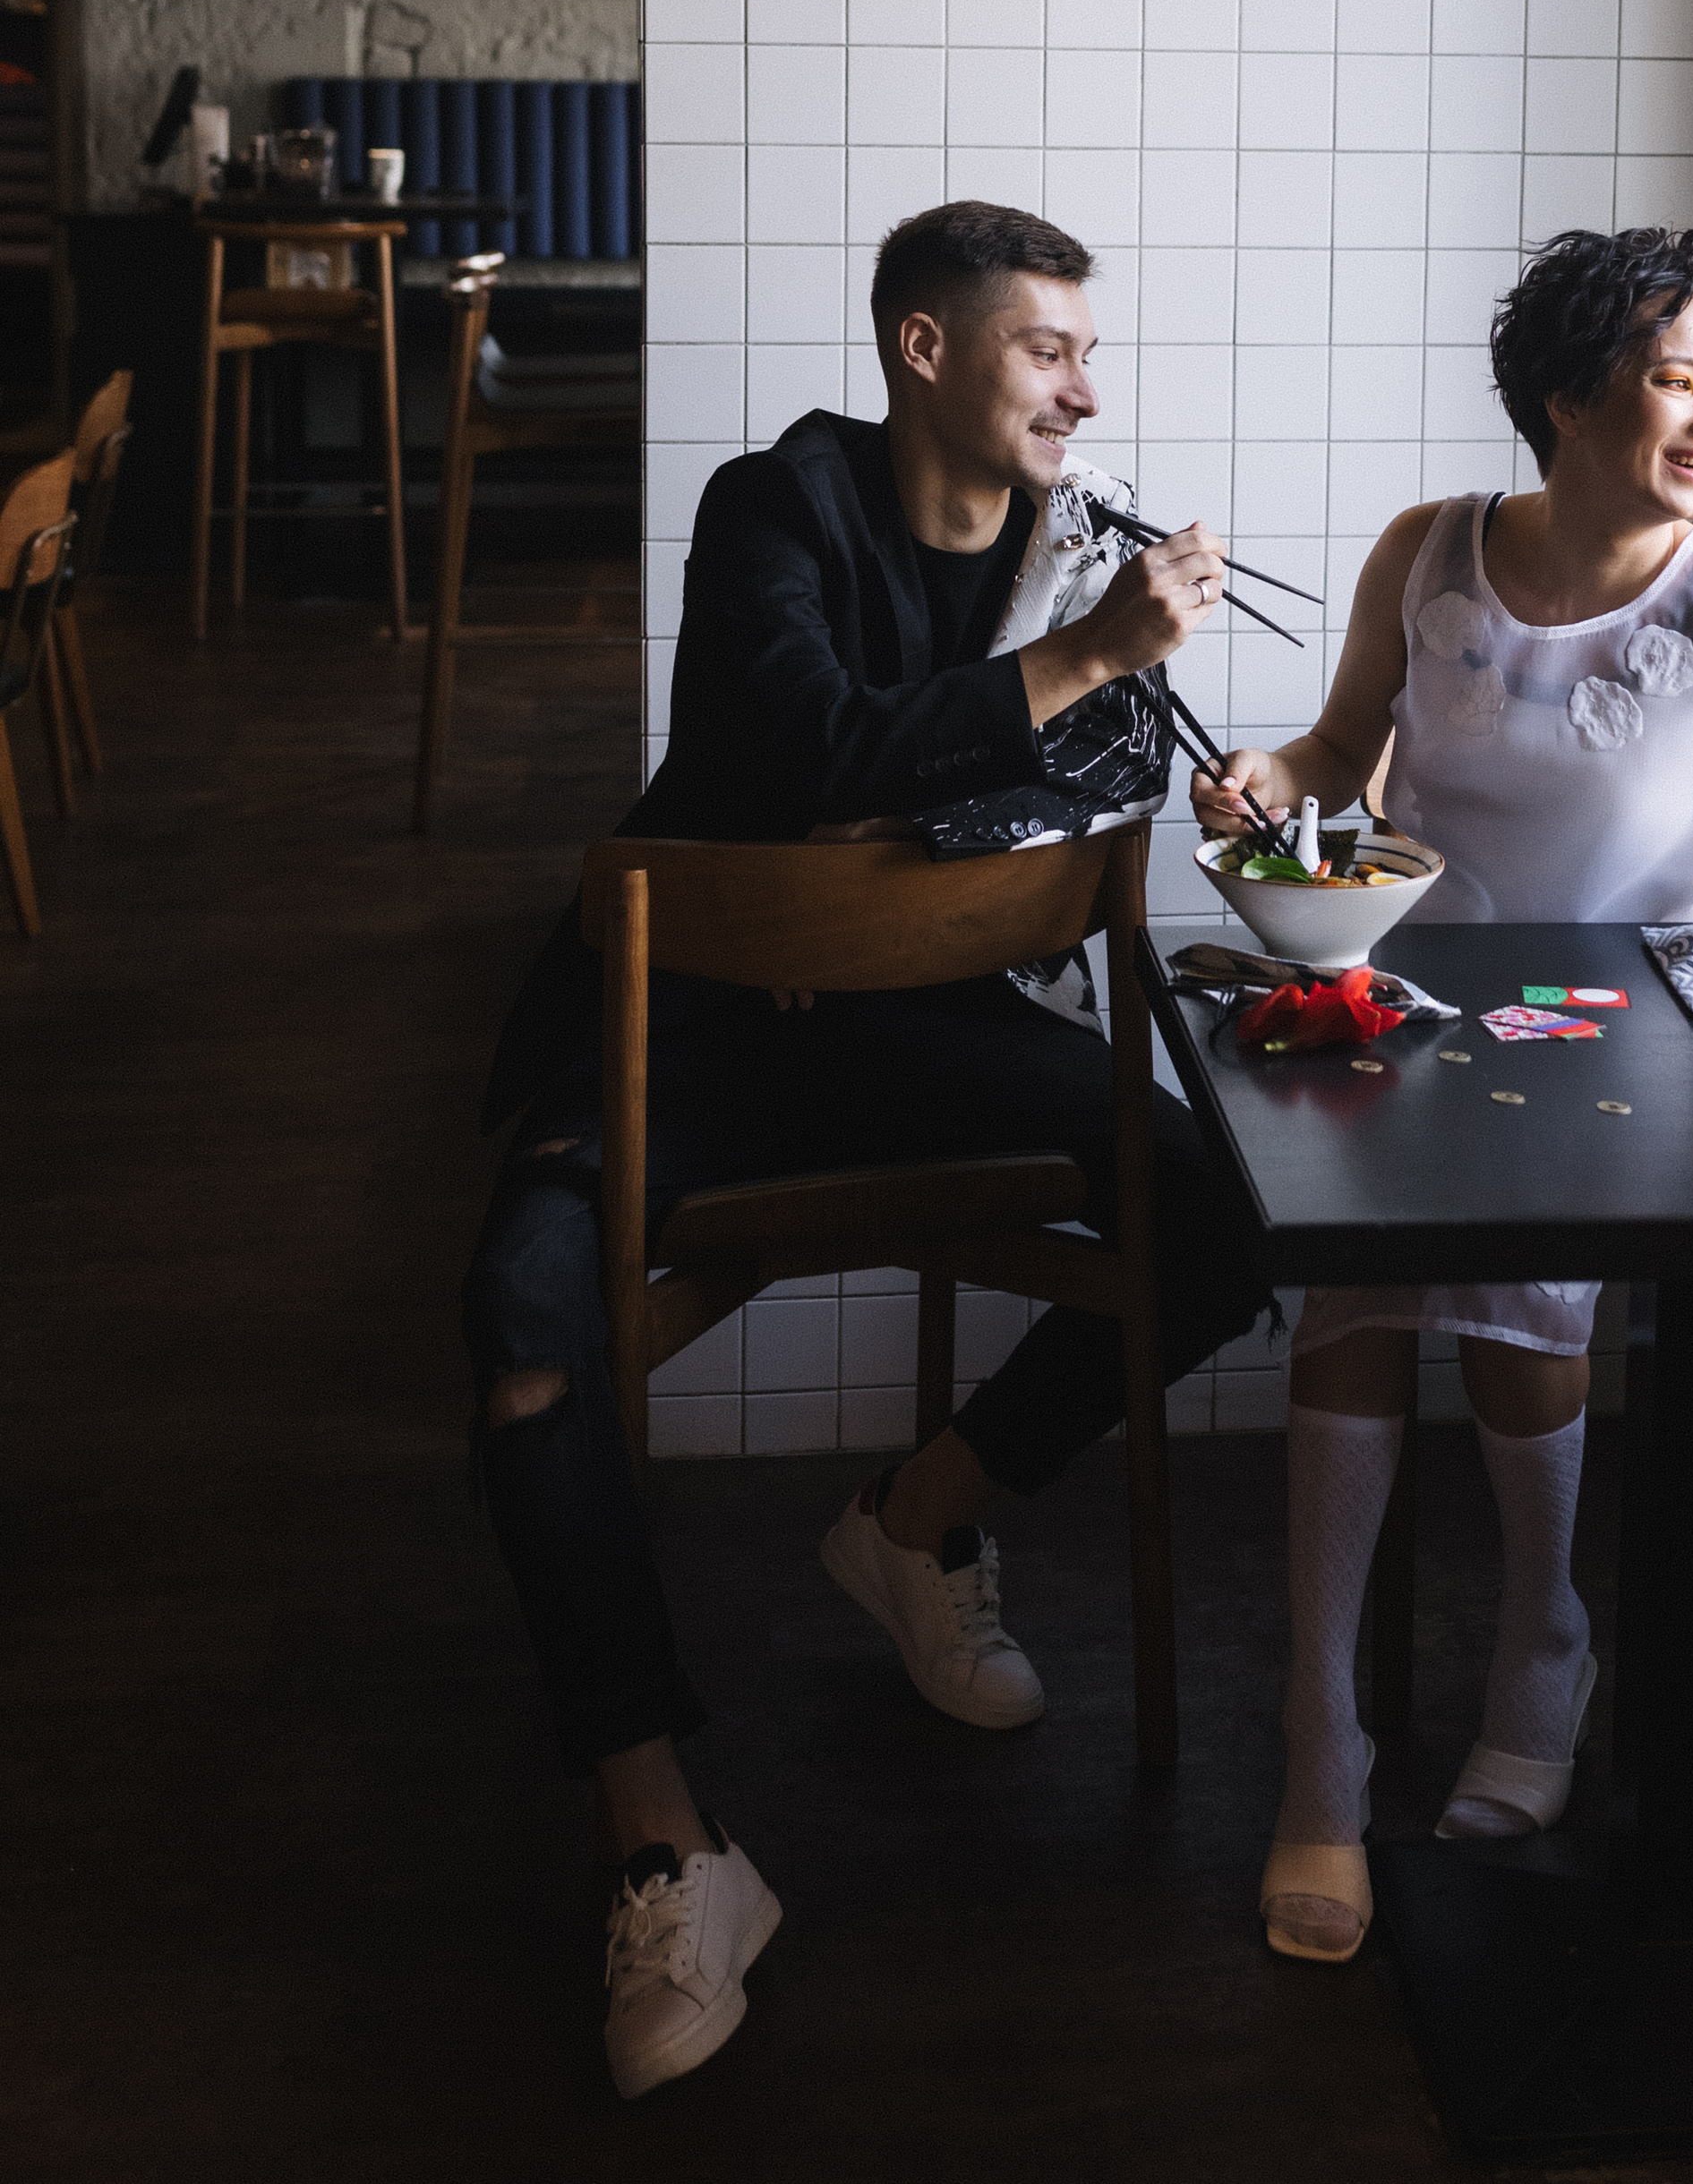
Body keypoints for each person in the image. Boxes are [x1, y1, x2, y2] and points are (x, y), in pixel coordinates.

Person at [466, 201, 1268, 2096]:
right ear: (925, 350)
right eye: (1041, 348)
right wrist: (1074, 663)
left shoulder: (1078, 548)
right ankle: (665, 1842)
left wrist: (1186, 745)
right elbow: (818, 745)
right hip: (695, 1028)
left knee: (1225, 1218)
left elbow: (1083, 781)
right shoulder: (778, 509)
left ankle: (916, 1521)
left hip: (911, 1022)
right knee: (520, 1323)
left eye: (1086, 346)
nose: (1084, 384)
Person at [1195, 226, 1693, 1963]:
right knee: (1345, 1299)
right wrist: (1270, 777)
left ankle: (1533, 1651)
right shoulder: (1427, 554)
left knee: (1494, 1291)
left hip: (1626, 1026)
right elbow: (1340, 754)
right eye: (1669, 378)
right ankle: (1319, 1752)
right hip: (1413, 1000)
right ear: (1564, 397)